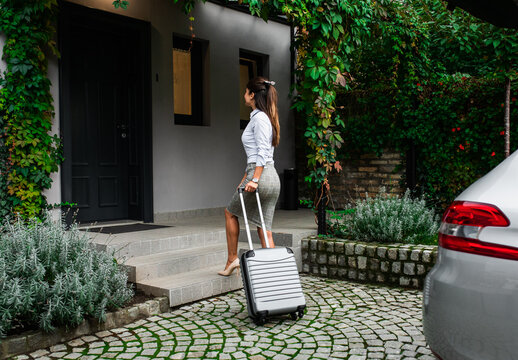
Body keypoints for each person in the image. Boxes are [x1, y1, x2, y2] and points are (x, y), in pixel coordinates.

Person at [218, 77, 281, 276]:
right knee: (264, 227)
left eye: (246, 92)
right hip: (268, 175)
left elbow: (262, 152)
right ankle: (274, 275)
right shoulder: (263, 117)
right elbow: (255, 155)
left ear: (252, 95)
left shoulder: (260, 118)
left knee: (230, 212)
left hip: (261, 175)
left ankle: (232, 259)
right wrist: (246, 177)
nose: (244, 95)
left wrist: (254, 179)